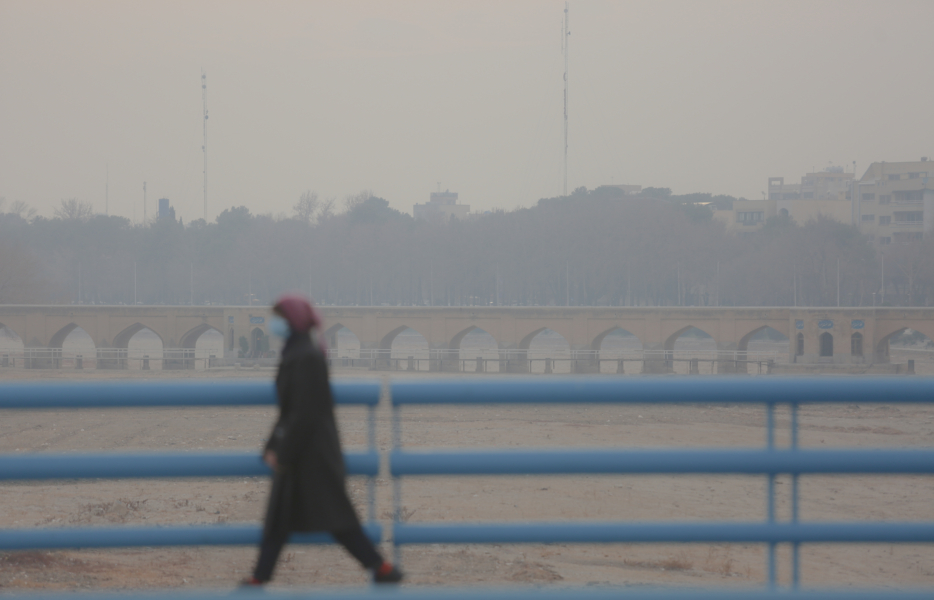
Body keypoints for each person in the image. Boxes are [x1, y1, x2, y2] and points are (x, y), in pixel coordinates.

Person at [242, 294, 402, 586]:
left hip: (311, 454)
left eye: (278, 317)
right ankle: (259, 577)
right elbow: (292, 409)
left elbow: (305, 413)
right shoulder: (300, 351)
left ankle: (382, 569)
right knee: (280, 520)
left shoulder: (306, 356)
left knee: (336, 520)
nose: (273, 324)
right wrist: (272, 446)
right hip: (302, 450)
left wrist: (283, 452)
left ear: (291, 321)